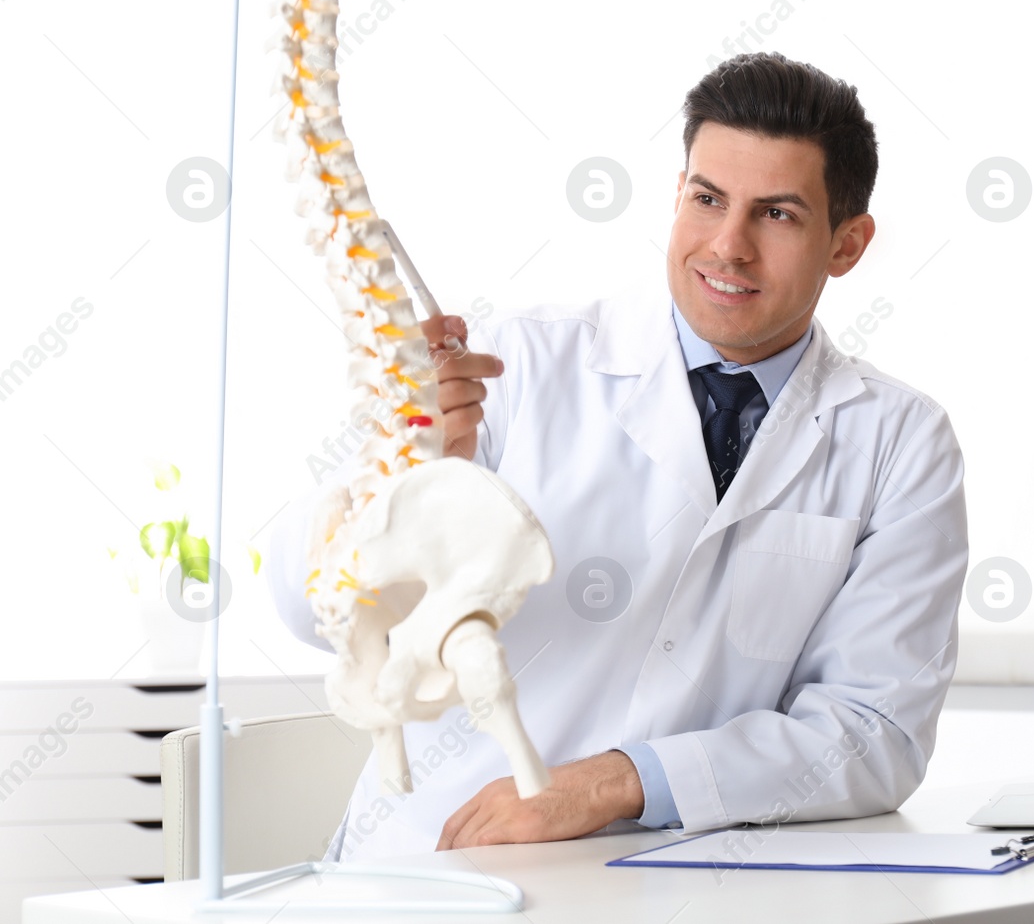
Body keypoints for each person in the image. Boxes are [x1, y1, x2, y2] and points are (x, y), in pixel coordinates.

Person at [267, 51, 969, 861]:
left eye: (776, 214)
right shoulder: (509, 369)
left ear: (848, 244)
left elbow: (874, 734)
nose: (728, 245)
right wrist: (405, 475)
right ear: (678, 196)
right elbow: (306, 607)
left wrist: (620, 781)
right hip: (433, 866)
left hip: (671, 879)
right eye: (708, 199)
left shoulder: (899, 441)